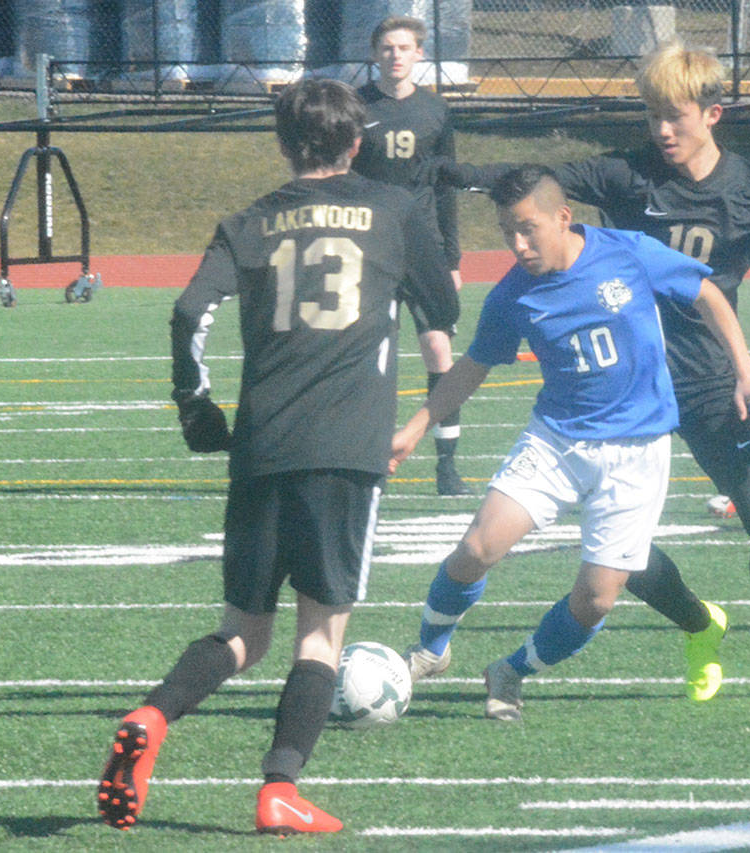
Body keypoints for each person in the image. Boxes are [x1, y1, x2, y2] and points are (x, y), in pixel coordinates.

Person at [438, 40, 750, 701]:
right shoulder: (628, 175)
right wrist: (462, 171)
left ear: (714, 113)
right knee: (624, 558)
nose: (663, 131)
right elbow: (542, 174)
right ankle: (699, 623)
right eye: (652, 117)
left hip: (710, 380)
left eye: (675, 116)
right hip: (627, 389)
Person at [96, 79, 457, 835]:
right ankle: (279, 787)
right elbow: (442, 306)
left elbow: (190, 309)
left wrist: (194, 404)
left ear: (285, 145)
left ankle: (153, 715)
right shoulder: (394, 210)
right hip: (346, 447)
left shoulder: (250, 221)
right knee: (320, 632)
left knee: (242, 630)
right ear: (356, 142)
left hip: (261, 446)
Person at [391, 165, 750, 721]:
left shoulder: (628, 252)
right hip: (557, 442)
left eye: (528, 230)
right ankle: (431, 649)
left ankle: (510, 672)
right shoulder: (513, 295)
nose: (518, 246)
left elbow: (708, 294)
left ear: (563, 217)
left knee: (596, 599)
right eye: (506, 233)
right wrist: (417, 425)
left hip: (638, 453)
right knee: (477, 548)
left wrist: (747, 372)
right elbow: (474, 365)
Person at [352, 15, 471, 496]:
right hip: (371, 244)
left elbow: (445, 187)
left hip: (422, 250)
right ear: (374, 53)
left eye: (404, 48)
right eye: (387, 47)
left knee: (438, 347)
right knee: (366, 354)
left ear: (419, 54)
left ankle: (447, 466)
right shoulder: (354, 106)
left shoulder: (436, 111)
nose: (395, 55)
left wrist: (453, 258)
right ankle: (362, 459)